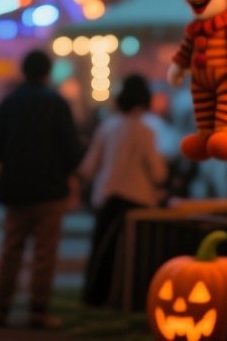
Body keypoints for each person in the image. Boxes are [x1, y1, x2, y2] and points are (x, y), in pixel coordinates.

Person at [0, 50, 80, 329]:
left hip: (15, 187)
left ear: (23, 71)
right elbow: (72, 151)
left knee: (11, 249)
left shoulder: (9, 102)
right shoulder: (57, 104)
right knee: (44, 253)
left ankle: (0, 308)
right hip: (50, 189)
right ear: (47, 72)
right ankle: (38, 311)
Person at [78, 74, 167, 306]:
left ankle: (96, 297)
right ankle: (130, 298)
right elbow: (158, 173)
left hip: (107, 196)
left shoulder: (107, 126)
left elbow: (89, 166)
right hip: (138, 198)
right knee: (135, 255)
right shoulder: (146, 131)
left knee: (102, 253)